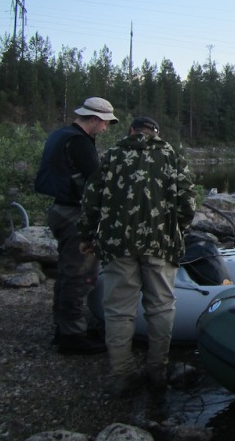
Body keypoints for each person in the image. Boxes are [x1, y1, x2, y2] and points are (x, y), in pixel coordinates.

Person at [78, 116, 196, 396]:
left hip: (118, 244)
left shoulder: (112, 156)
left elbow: (91, 198)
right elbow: (188, 203)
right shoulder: (171, 156)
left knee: (119, 310)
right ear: (156, 132)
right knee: (162, 306)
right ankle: (158, 370)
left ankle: (124, 375)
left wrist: (86, 235)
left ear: (131, 131)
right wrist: (177, 229)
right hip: (161, 244)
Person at [35, 96, 118, 355]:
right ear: (93, 119)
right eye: (104, 123)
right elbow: (97, 180)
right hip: (74, 215)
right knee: (80, 275)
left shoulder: (61, 135)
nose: (105, 128)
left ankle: (66, 327)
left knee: (67, 271)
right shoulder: (80, 142)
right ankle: (72, 337)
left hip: (59, 210)